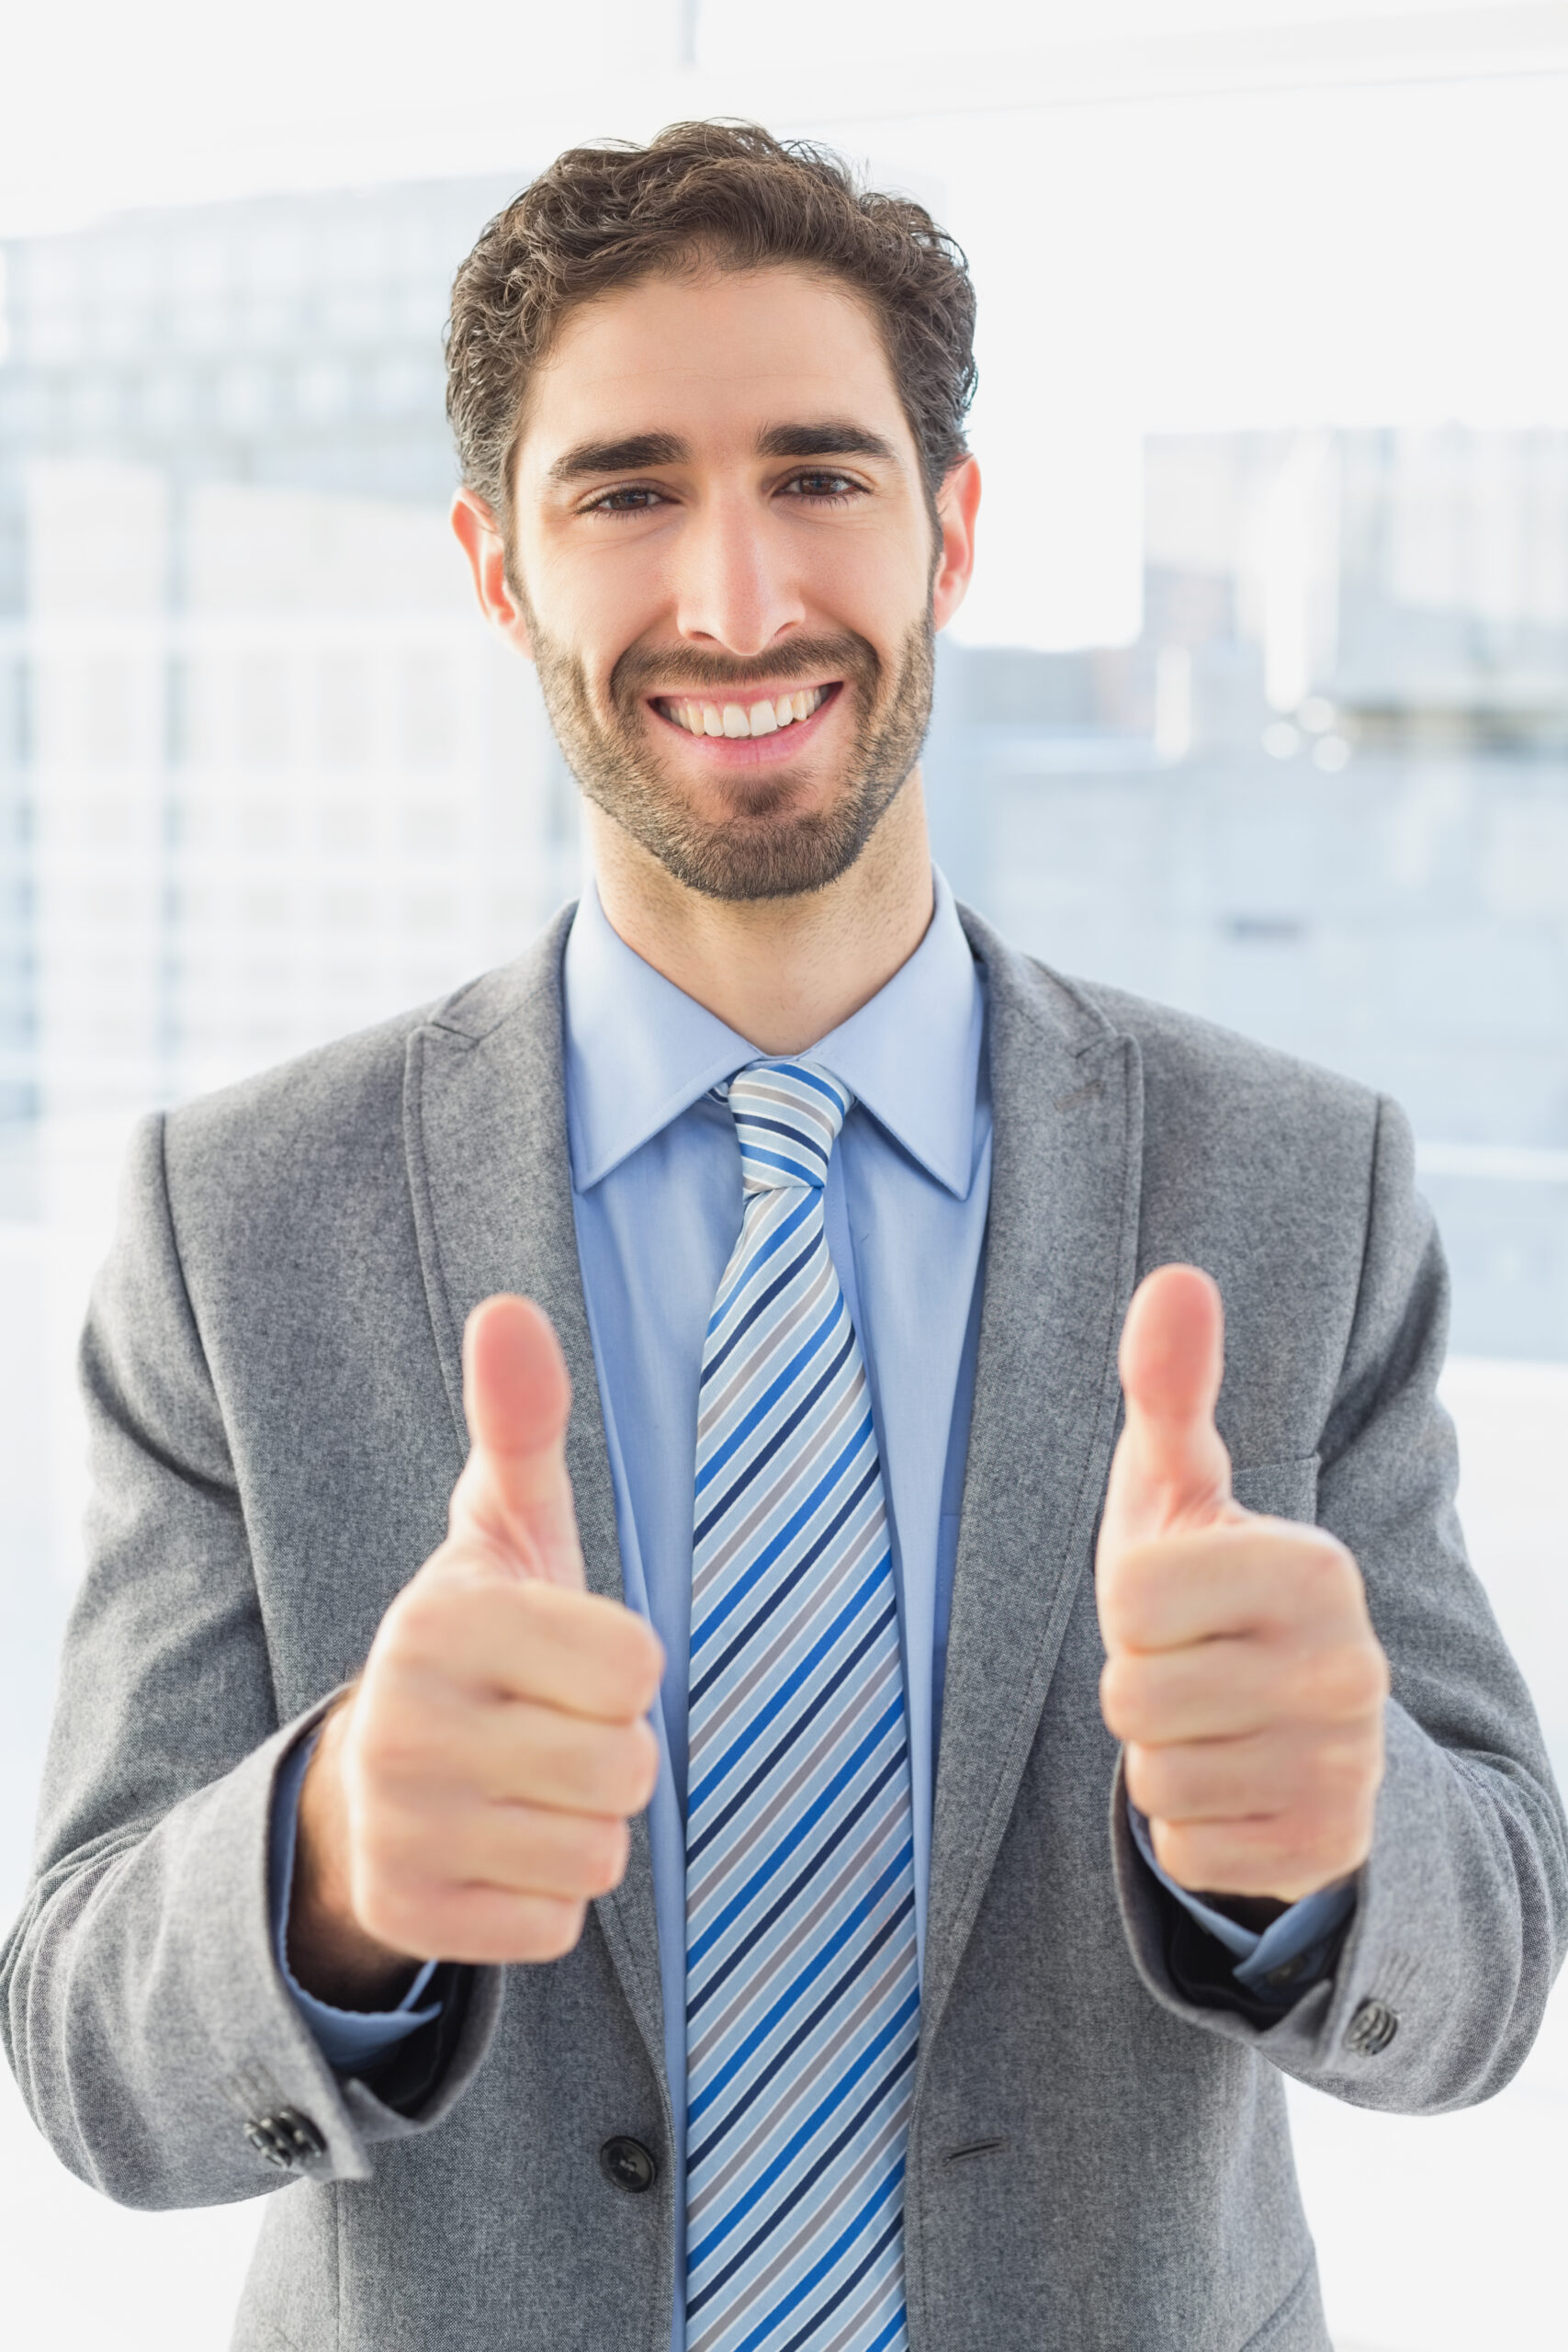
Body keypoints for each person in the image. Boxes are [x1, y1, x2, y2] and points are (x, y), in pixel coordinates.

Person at [3, 121, 1563, 2352]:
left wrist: (1332, 1838)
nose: (735, 599)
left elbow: (1488, 1951)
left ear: (951, 528)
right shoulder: (235, 1219)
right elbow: (82, 2042)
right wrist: (328, 1860)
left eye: (819, 475)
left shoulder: (1292, 1183)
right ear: (492, 565)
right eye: (625, 490)